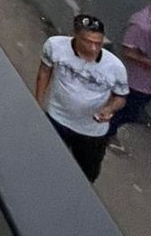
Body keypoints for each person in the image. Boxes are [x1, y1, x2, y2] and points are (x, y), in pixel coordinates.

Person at [35, 14, 128, 182]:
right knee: (45, 162)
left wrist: (109, 109)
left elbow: (120, 97)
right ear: (74, 35)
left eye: (98, 43)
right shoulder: (54, 46)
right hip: (57, 119)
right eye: (87, 41)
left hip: (91, 132)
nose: (93, 48)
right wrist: (36, 104)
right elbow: (44, 71)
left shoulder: (115, 67)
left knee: (87, 174)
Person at [109, 0, 151, 138]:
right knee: (125, 112)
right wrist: (147, 62)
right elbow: (127, 51)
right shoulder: (141, 24)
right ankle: (104, 135)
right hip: (137, 82)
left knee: (133, 112)